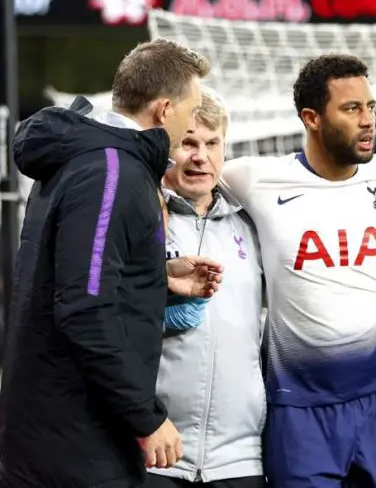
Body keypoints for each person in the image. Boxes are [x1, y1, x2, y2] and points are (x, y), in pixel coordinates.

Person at [0, 39, 223, 488]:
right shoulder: (111, 172)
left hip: (58, 435)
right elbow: (85, 309)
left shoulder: (89, 159)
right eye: (191, 108)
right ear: (164, 110)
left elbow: (72, 277)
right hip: (74, 444)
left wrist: (155, 278)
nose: (190, 121)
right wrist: (147, 416)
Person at [222, 54, 376, 487]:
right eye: (351, 109)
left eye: (370, 107)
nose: (368, 120)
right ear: (311, 118)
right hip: (299, 405)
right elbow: (176, 181)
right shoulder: (254, 179)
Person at [144, 88, 268, 488]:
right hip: (155, 452)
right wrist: (161, 306)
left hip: (240, 458)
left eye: (212, 143)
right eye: (188, 143)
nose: (201, 157)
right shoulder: (140, 215)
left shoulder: (254, 224)